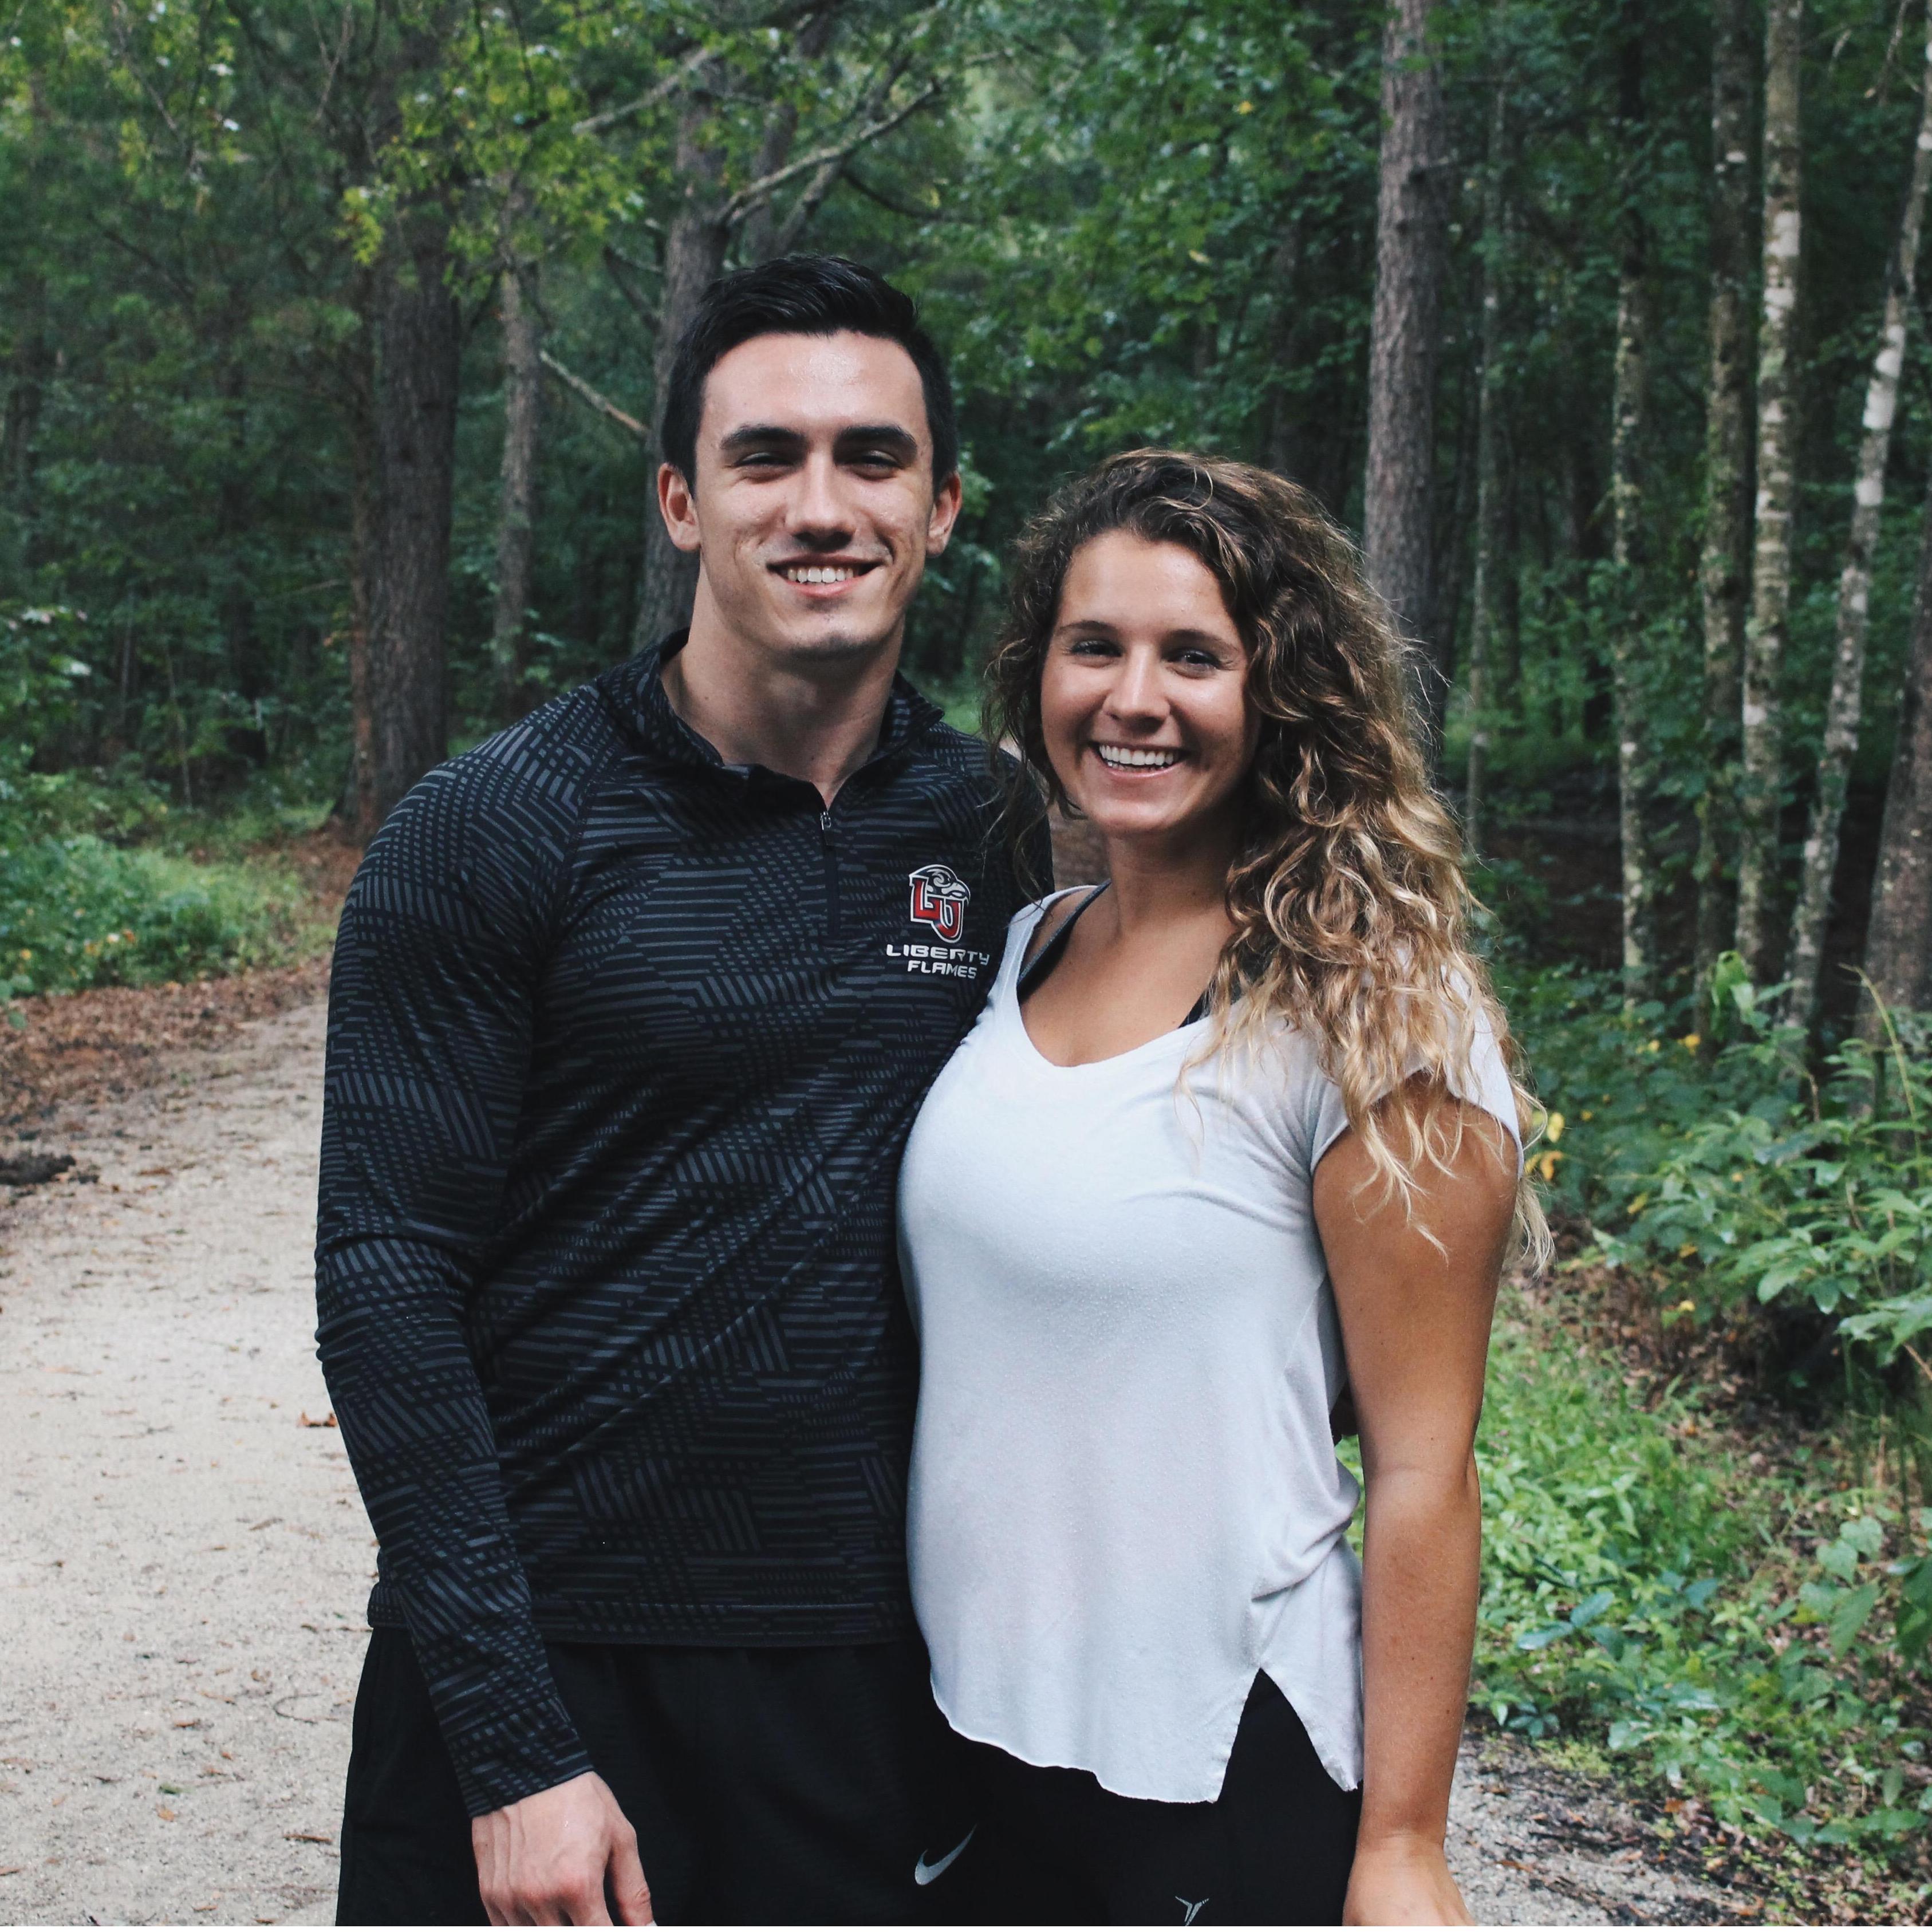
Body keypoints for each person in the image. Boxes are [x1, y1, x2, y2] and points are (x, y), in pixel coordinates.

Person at [316, 255, 1044, 1926]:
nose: (822, 505)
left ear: (940, 510)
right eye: (764, 456)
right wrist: (510, 1748)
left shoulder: (1005, 839)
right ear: (678, 501)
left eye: (873, 459)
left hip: (871, 1690)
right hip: (543, 1672)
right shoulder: (492, 828)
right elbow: (385, 1283)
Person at [897, 450, 1545, 1926]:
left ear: (1280, 695)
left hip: (1217, 1766)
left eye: (1194, 655)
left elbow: (1427, 1470)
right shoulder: (1024, 949)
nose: (1136, 698)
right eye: (1095, 647)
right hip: (972, 1738)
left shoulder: (1377, 1013)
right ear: (1037, 674)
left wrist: (1404, 1848)